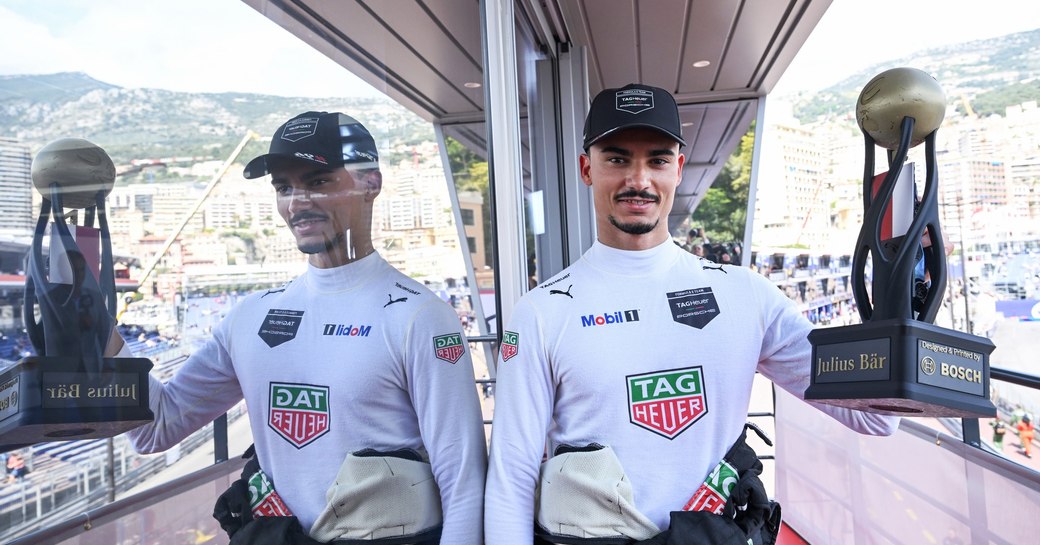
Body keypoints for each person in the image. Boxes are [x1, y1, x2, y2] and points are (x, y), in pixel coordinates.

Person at [484, 84, 900, 545]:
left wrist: (903, 290)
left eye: (657, 160)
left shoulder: (745, 294)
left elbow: (877, 417)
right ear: (587, 168)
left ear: (679, 169)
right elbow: (512, 472)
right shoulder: (542, 311)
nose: (638, 180)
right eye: (617, 159)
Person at [117, 112, 486, 544]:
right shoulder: (249, 318)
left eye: (318, 182)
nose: (297, 201)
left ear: (371, 183)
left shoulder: (421, 317)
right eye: (284, 187)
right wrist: (96, 330)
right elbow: (155, 428)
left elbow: (464, 481)